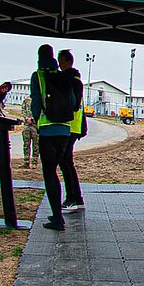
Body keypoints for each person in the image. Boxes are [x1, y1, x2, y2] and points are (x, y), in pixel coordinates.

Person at [30, 44, 79, 231]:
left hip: (47, 130)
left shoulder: (38, 76)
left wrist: (37, 119)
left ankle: (57, 218)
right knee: (58, 168)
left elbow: (36, 104)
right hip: (65, 131)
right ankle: (57, 215)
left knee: (50, 173)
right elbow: (73, 102)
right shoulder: (64, 76)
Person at [57, 49, 86, 212]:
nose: (59, 65)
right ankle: (76, 198)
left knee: (66, 162)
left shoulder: (73, 81)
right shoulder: (73, 79)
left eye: (61, 61)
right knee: (66, 161)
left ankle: (72, 197)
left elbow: (74, 104)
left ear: (68, 62)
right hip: (71, 126)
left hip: (71, 126)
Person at [19, 94, 39, 169]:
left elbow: (41, 112)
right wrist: (26, 118)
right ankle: (26, 161)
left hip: (35, 125)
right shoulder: (26, 100)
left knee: (35, 145)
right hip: (27, 125)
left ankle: (34, 162)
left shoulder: (38, 99)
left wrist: (32, 119)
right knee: (26, 144)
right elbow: (23, 110)